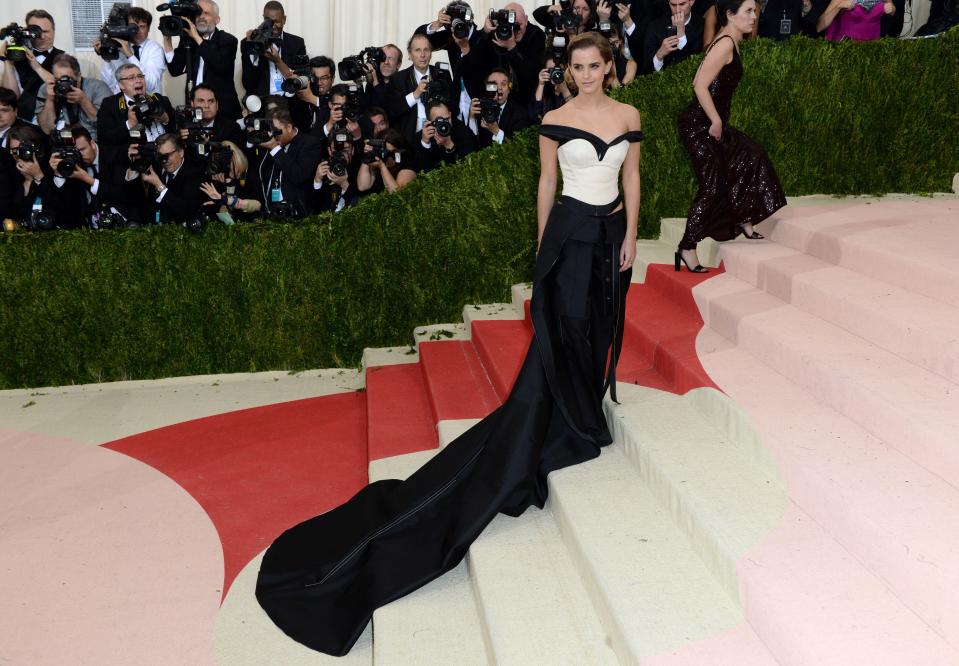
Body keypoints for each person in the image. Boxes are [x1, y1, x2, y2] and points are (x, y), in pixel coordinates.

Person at [255, 30, 641, 657]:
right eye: (579, 66)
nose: (589, 74)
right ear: (568, 70)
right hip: (568, 236)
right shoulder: (554, 118)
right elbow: (545, 184)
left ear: (607, 66)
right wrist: (543, 245)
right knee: (561, 330)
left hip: (609, 237)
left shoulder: (629, 114)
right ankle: (566, 423)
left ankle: (579, 412)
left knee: (595, 326)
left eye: (597, 65)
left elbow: (632, 173)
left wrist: (630, 235)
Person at [676, 0, 786, 273]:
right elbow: (699, 84)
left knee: (750, 156)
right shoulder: (725, 43)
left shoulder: (732, 41)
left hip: (714, 124)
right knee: (712, 187)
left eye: (754, 10)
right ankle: (687, 247)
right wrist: (714, 120)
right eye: (748, 11)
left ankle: (743, 219)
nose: (754, 15)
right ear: (730, 15)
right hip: (699, 125)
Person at [162, 0, 241, 120]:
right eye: (198, 13)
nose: (201, 17)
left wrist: (196, 37)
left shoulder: (228, 40)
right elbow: (175, 70)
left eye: (206, 13)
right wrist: (167, 39)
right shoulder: (188, 40)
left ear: (217, 19)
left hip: (223, 112)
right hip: (195, 110)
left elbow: (220, 65)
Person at [126, 132, 211, 224]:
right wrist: (134, 165)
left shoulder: (194, 174)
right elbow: (135, 200)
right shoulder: (155, 167)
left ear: (181, 152)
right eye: (160, 156)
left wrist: (159, 186)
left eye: (167, 155)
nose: (164, 160)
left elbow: (186, 211)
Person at [254, 107, 323, 218]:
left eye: (276, 131)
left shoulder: (309, 143)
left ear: (289, 127)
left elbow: (299, 175)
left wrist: (274, 149)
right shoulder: (270, 145)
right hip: (272, 214)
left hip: (297, 215)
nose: (273, 135)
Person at [1, 10, 63, 124]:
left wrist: (36, 67)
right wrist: (8, 63)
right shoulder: (17, 57)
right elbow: (10, 97)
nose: (42, 36)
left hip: (54, 121)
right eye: (37, 32)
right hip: (22, 123)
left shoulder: (65, 58)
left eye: (46, 31)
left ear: (54, 31)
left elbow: (63, 88)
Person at [240, 1, 307, 99]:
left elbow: (301, 81)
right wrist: (253, 47)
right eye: (269, 21)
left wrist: (277, 61)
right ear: (264, 19)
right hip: (263, 103)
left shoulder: (297, 43)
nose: (273, 26)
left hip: (290, 104)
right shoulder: (250, 43)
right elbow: (248, 84)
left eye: (277, 22)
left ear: (284, 19)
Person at [35, 54, 111, 140]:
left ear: (78, 76)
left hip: (92, 141)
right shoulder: (47, 88)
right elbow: (47, 129)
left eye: (67, 79)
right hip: (60, 142)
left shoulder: (97, 87)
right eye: (58, 80)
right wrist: (49, 99)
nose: (63, 85)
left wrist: (83, 101)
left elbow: (107, 125)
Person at [97, 7, 165, 95]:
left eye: (142, 27)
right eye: (133, 27)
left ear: (148, 29)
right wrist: (108, 57)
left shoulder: (155, 49)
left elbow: (151, 84)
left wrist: (129, 54)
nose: (137, 31)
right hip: (123, 102)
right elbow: (108, 83)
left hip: (150, 101)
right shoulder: (118, 46)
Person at [471, 67, 530, 148]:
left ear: (509, 89)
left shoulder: (520, 113)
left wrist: (497, 131)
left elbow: (520, 147)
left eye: (503, 84)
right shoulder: (479, 108)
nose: (499, 88)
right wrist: (471, 119)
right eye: (493, 84)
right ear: (486, 88)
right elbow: (472, 144)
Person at [414, 99, 477, 172]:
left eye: (447, 119)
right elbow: (422, 172)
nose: (444, 125)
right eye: (439, 121)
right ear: (429, 121)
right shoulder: (422, 137)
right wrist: (425, 143)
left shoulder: (461, 130)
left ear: (450, 115)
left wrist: (449, 145)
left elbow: (469, 165)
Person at [643, 0, 705, 74]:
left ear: (691, 1)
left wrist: (681, 33)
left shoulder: (702, 25)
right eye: (673, 5)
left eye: (682, 4)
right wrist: (659, 55)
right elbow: (646, 68)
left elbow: (697, 62)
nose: (677, 10)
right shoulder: (655, 27)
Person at [817, 0, 896, 40]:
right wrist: (838, 6)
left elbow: (892, 10)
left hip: (872, 50)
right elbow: (819, 27)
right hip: (847, 49)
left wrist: (891, 9)